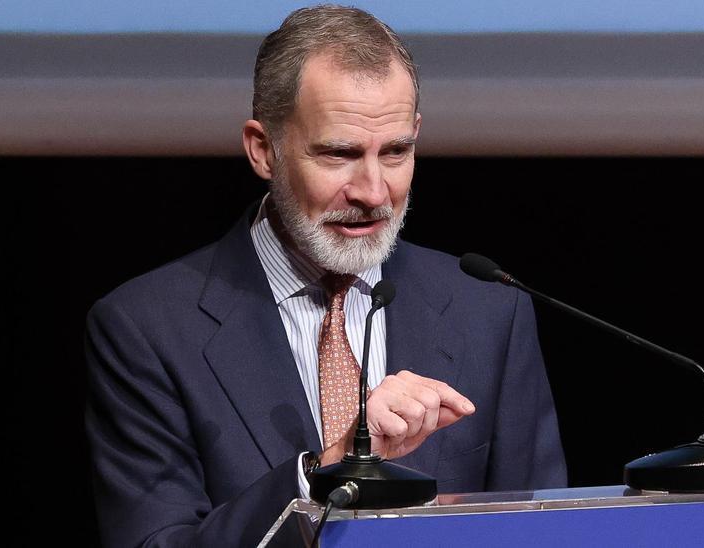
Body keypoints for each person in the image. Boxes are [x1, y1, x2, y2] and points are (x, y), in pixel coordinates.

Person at [84, 5, 566, 546]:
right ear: (264, 150)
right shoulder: (146, 328)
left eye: (396, 152)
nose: (373, 192)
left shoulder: (489, 311)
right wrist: (326, 472)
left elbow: (538, 529)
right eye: (339, 154)